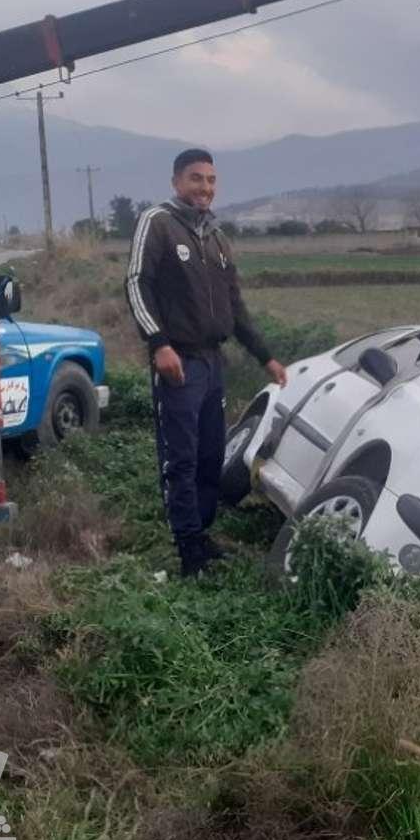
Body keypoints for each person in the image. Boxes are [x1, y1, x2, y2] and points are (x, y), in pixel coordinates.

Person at [126, 148, 288, 576]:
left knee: (211, 454)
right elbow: (137, 285)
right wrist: (159, 344)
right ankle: (187, 548)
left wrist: (266, 356)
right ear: (177, 182)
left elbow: (235, 306)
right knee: (180, 458)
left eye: (212, 180)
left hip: (213, 363)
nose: (205, 188)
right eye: (196, 178)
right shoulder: (157, 222)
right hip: (178, 362)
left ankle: (202, 533)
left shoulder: (216, 237)